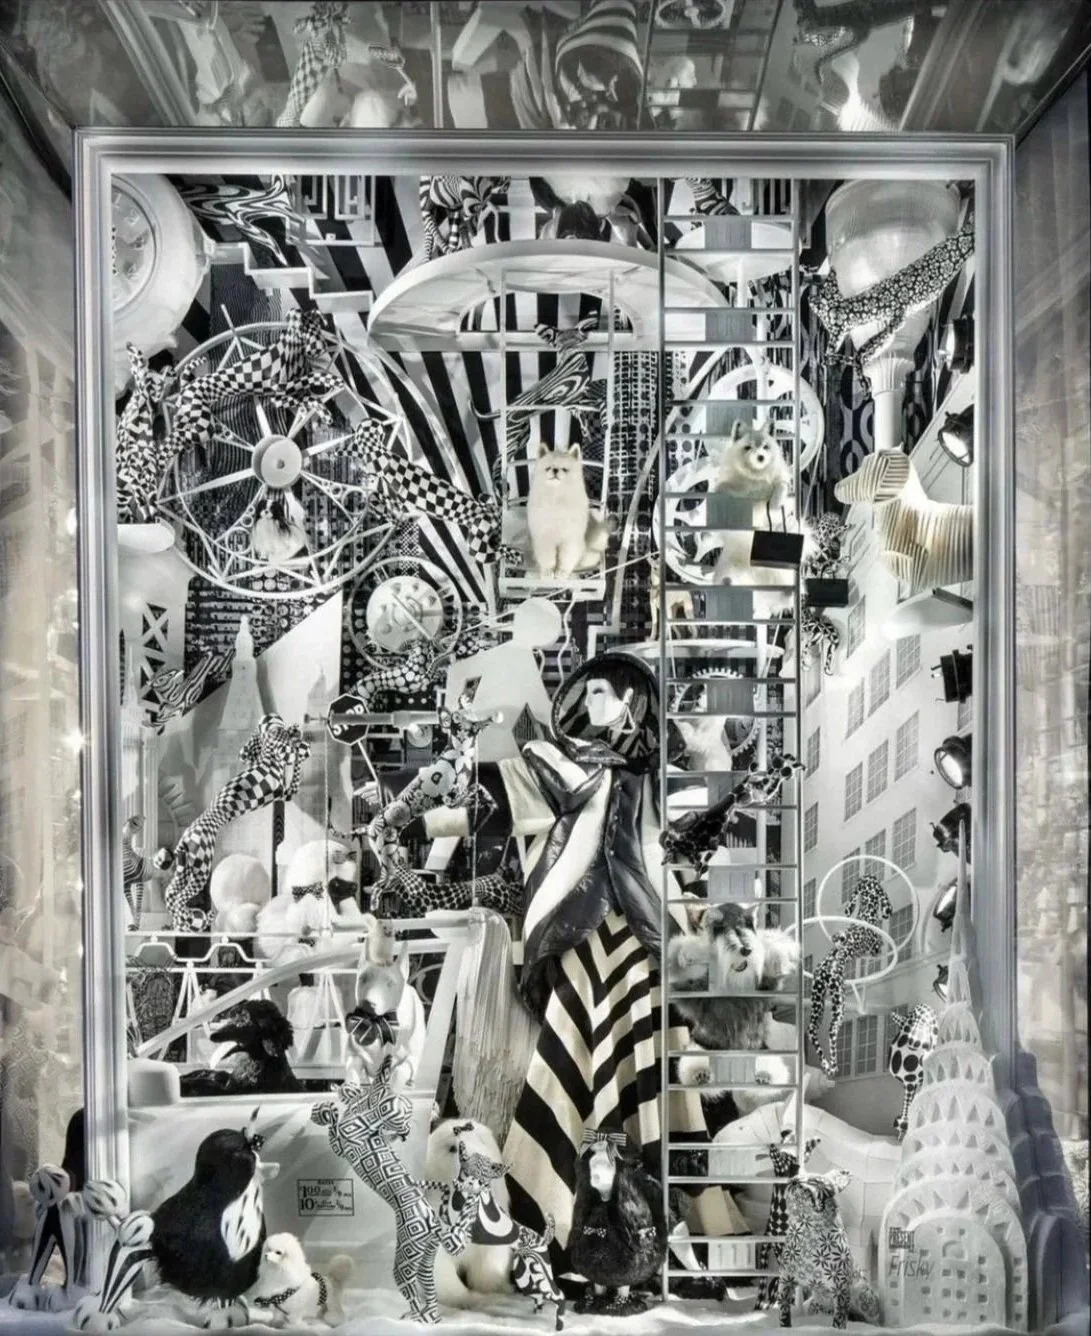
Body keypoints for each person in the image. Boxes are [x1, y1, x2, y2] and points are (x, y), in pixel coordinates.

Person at [500, 653, 747, 1263]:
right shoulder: (566, 767)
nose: (592, 705)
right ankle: (551, 1228)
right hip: (582, 935)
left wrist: (714, 757)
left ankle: (665, 1228)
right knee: (571, 1052)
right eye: (588, 694)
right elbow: (536, 794)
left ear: (631, 702)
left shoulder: (649, 779)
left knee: (653, 1065)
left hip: (640, 934)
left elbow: (698, 825)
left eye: (604, 693)